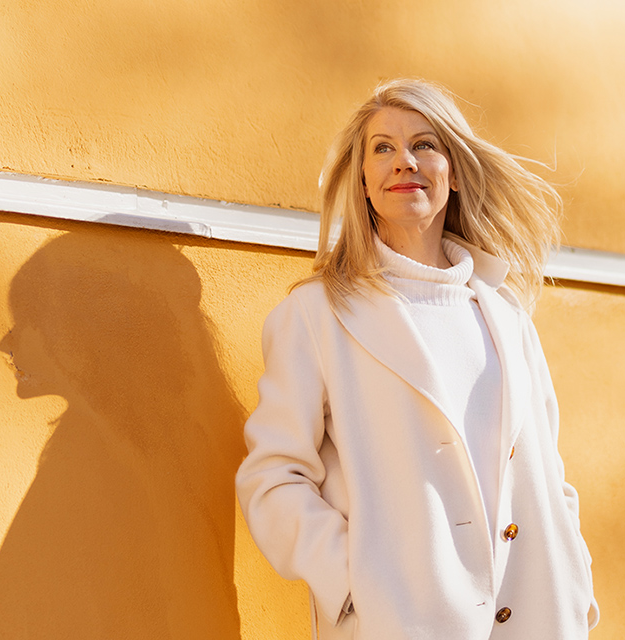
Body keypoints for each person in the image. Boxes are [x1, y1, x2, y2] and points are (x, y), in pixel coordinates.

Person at [236, 78, 599, 640]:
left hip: (537, 620)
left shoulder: (506, 316)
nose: (404, 161)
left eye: (424, 144)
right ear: (363, 181)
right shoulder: (316, 315)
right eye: (382, 148)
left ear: (454, 173)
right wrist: (355, 587)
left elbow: (550, 475)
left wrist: (576, 589)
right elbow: (273, 478)